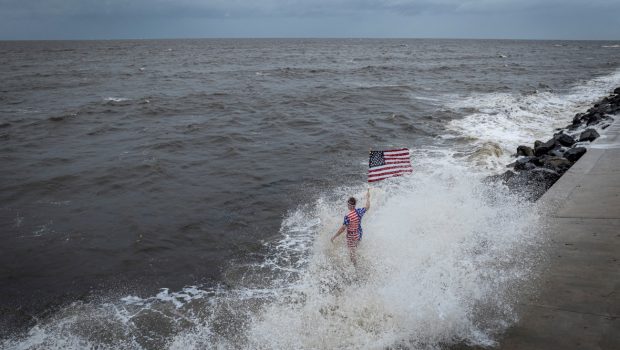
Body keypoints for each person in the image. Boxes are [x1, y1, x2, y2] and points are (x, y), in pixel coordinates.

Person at [331, 189, 370, 265]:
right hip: (359, 233)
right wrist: (368, 197)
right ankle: (357, 252)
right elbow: (367, 206)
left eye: (348, 204)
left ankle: (355, 265)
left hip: (351, 236)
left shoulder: (348, 216)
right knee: (356, 246)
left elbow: (342, 229)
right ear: (355, 205)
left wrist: (334, 236)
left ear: (349, 205)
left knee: (352, 253)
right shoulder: (359, 211)